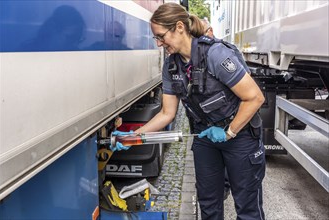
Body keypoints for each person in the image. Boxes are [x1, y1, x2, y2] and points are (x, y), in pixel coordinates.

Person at [112, 3, 266, 220]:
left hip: (240, 136)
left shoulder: (216, 54)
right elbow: (167, 113)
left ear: (179, 27)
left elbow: (254, 97)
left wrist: (229, 132)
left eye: (161, 36)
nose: (158, 43)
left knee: (247, 208)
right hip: (205, 137)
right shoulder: (171, 66)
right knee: (209, 204)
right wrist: (135, 136)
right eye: (155, 38)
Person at [200, 17, 231, 201]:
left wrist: (232, 129)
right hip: (210, 124)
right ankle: (220, 188)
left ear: (210, 31)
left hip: (230, 121)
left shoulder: (223, 52)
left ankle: (225, 186)